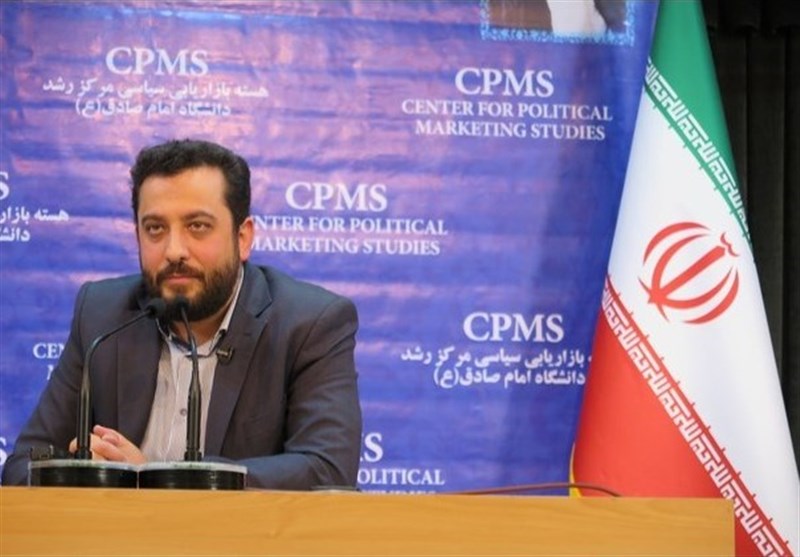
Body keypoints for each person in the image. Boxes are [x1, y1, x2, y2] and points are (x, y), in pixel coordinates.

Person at [1, 139, 362, 489]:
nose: (174, 251)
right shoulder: (102, 316)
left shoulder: (309, 323)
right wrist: (88, 474)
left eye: (197, 226)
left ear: (243, 238)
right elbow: (21, 467)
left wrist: (156, 480)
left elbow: (328, 470)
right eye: (155, 229)